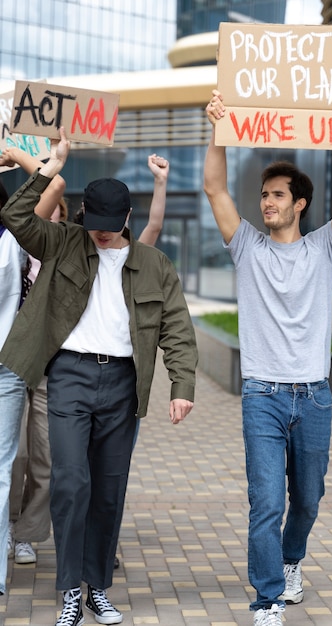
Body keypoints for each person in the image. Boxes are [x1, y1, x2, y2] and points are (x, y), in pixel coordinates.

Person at [0, 128, 197, 626]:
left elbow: (176, 325)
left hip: (122, 386)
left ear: (127, 218)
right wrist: (49, 165)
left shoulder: (154, 264)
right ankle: (69, 590)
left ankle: (97, 589)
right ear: (84, 214)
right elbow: (15, 216)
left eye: (112, 224)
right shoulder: (64, 242)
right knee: (69, 483)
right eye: (96, 223)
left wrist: (182, 387)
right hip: (68, 376)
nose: (103, 233)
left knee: (109, 489)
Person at [204, 89, 332, 626]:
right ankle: (268, 599)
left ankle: (291, 560)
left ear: (299, 203)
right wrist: (219, 127)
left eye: (277, 195)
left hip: (314, 396)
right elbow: (213, 186)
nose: (266, 202)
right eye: (264, 195)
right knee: (267, 503)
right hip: (263, 396)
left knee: (308, 502)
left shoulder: (323, 246)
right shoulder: (247, 246)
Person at [0, 167, 65, 596]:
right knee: (11, 460)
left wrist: (24, 157)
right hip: (15, 365)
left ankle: (20, 538)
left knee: (24, 460)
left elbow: (54, 186)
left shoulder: (15, 239)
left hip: (22, 363)